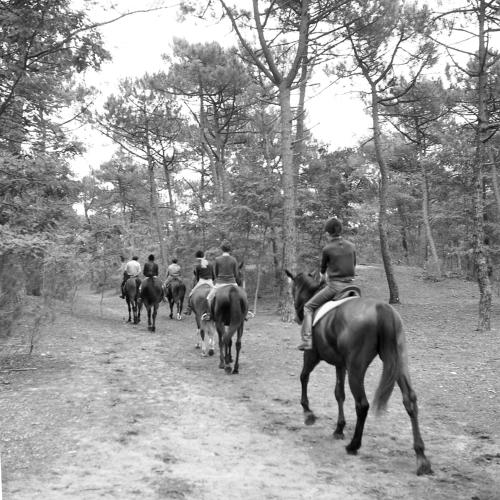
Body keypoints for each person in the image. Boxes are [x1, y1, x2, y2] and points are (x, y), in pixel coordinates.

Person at [298, 217, 357, 351]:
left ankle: (307, 340)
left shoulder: (327, 249)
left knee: (308, 308)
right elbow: (353, 265)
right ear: (341, 230)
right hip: (352, 286)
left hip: (335, 287)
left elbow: (323, 273)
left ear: (327, 233)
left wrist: (324, 279)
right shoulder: (352, 246)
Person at [203, 241, 241, 320]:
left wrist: (218, 279)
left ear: (221, 249)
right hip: (232, 283)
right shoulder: (234, 260)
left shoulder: (217, 259)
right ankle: (245, 313)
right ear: (230, 249)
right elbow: (236, 273)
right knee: (242, 297)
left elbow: (215, 273)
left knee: (209, 298)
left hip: (220, 283)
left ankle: (209, 314)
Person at [184, 250, 215, 315]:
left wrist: (198, 282)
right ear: (204, 256)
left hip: (201, 281)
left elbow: (197, 277)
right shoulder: (211, 264)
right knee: (216, 293)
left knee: (191, 293)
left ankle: (189, 308)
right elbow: (213, 276)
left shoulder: (198, 266)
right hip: (210, 281)